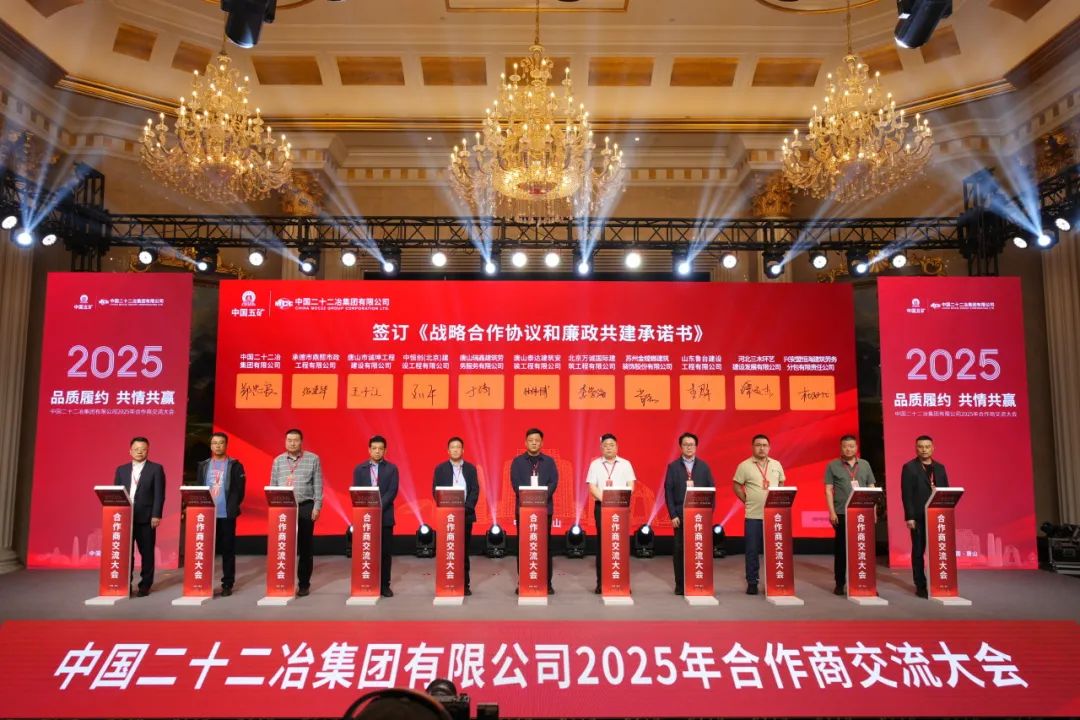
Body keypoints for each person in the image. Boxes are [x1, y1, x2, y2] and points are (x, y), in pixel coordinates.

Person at [187, 431, 246, 597]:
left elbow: (240, 490)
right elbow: (200, 487)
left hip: (226, 514)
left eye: (221, 443)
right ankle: (203, 583)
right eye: (214, 443)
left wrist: (232, 506)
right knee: (204, 550)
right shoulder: (203, 465)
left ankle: (227, 583)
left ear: (226, 445)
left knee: (228, 550)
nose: (218, 446)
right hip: (206, 515)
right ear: (211, 446)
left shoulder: (235, 465)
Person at [270, 428, 323, 597]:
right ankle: (283, 582)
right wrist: (273, 508)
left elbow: (318, 485)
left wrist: (317, 507)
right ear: (285, 442)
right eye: (289, 440)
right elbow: (272, 486)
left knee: (305, 547)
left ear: (301, 442)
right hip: (283, 509)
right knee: (283, 546)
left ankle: (304, 584)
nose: (292, 443)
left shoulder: (313, 459)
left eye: (296, 440)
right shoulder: (278, 461)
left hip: (305, 506)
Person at [823, 434, 877, 596]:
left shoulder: (865, 464)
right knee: (841, 550)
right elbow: (828, 490)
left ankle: (866, 583)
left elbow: (872, 487)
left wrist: (873, 510)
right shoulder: (833, 465)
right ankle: (840, 583)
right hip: (842, 512)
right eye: (845, 446)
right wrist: (832, 512)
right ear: (841, 448)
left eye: (852, 446)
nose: (848, 449)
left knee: (864, 549)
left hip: (863, 513)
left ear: (856, 447)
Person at [732, 434, 785, 595]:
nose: (762, 448)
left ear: (769, 447)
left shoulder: (776, 464)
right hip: (753, 516)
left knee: (775, 550)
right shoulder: (744, 465)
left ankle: (775, 581)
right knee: (752, 551)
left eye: (764, 445)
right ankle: (752, 582)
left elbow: (781, 482)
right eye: (758, 445)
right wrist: (747, 500)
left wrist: (777, 500)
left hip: (773, 516)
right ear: (753, 447)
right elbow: (736, 485)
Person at [664, 432, 716, 595]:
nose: (689, 447)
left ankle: (699, 582)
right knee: (679, 550)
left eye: (691, 444)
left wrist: (709, 513)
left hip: (700, 515)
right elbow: (668, 492)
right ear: (681, 447)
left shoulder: (704, 467)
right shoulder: (673, 467)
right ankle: (680, 584)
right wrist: (673, 515)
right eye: (685, 444)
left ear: (696, 447)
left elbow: (711, 490)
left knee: (699, 549)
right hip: (680, 515)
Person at [114, 436, 166, 597]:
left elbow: (159, 494)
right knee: (125, 553)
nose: (139, 452)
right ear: (130, 451)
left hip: (146, 518)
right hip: (125, 518)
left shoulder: (156, 469)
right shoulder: (121, 470)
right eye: (136, 449)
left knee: (147, 553)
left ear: (147, 451)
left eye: (143, 449)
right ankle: (125, 584)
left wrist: (156, 514)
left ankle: (145, 585)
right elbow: (116, 493)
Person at [509, 427, 559, 594]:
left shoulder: (549, 462)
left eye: (537, 440)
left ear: (541, 443)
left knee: (545, 546)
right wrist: (530, 497)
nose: (534, 443)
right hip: (524, 510)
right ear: (526, 443)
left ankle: (547, 583)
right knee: (524, 546)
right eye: (531, 440)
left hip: (545, 510)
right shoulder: (517, 462)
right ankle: (523, 582)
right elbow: (515, 483)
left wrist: (541, 497)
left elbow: (554, 482)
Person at [585, 433, 637, 594]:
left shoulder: (626, 464)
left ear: (617, 447)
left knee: (620, 544)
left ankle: (622, 582)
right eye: (605, 445)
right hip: (602, 508)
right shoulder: (595, 464)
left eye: (612, 445)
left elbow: (631, 485)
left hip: (621, 508)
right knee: (603, 544)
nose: (609, 448)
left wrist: (618, 500)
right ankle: (602, 583)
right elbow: (592, 487)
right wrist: (607, 500)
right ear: (601, 448)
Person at [900, 434, 949, 598]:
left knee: (939, 551)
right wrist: (909, 517)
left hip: (938, 516)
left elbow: (947, 490)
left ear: (933, 448)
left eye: (927, 446)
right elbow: (906, 494)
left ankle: (939, 582)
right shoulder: (909, 467)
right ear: (916, 448)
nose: (924, 450)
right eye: (920, 447)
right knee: (918, 551)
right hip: (918, 516)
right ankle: (920, 585)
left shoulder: (940, 468)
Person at [432, 436, 480, 595]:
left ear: (463, 450)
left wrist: (466, 508)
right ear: (448, 451)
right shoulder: (440, 469)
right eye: (452, 447)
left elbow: (475, 490)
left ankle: (464, 584)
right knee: (447, 550)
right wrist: (447, 508)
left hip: (465, 515)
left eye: (458, 447)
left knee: (463, 551)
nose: (455, 450)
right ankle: (447, 581)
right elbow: (435, 491)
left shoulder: (470, 469)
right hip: (446, 517)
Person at [354, 435, 399, 597]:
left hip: (385, 516)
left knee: (385, 553)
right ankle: (367, 582)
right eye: (374, 448)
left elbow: (392, 491)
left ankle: (384, 585)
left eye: (380, 449)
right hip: (365, 518)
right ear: (369, 450)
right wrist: (368, 509)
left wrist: (378, 506)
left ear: (385, 450)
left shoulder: (392, 469)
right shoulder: (359, 469)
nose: (377, 451)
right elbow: (357, 491)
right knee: (367, 552)